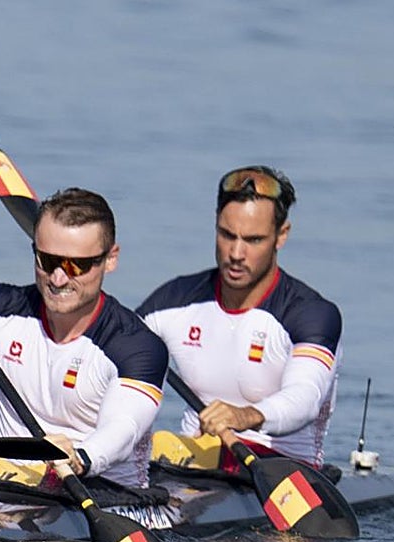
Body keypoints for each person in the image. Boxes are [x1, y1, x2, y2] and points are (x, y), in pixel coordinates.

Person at [0, 188, 169, 489]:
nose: (58, 278)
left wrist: (81, 457)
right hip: (11, 490)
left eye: (76, 265)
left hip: (105, 493)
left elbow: (124, 429)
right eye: (48, 260)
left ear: (110, 259)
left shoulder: (136, 347)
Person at [136, 166, 341, 470]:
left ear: (281, 235)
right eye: (227, 235)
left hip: (281, 470)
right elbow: (105, 359)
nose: (236, 253)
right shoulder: (172, 302)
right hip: (190, 464)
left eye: (253, 240)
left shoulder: (311, 315)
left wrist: (245, 416)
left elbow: (304, 399)